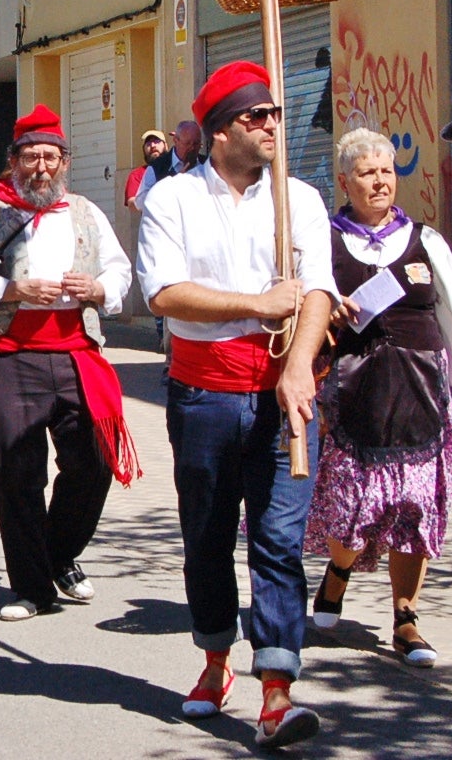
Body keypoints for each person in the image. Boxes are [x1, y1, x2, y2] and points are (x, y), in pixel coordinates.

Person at [135, 61, 336, 748]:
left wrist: (301, 365)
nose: (273, 125)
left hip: (284, 393)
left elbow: (317, 291)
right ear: (221, 132)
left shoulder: (300, 199)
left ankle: (276, 690)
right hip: (203, 395)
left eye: (276, 114)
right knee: (209, 536)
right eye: (258, 117)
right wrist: (255, 303)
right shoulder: (172, 199)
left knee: (279, 542)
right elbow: (164, 294)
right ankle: (216, 657)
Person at [307, 127, 452, 667]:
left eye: (386, 170)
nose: (380, 181)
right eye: (367, 172)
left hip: (421, 391)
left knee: (415, 507)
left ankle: (406, 619)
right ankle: (337, 576)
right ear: (345, 181)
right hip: (355, 392)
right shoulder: (324, 241)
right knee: (356, 503)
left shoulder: (425, 240)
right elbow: (303, 310)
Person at [0, 105, 137, 621]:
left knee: (94, 463)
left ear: (65, 162)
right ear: (13, 161)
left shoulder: (84, 213)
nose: (41, 168)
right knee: (17, 471)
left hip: (77, 352)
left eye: (51, 157)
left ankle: (59, 553)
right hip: (10, 356)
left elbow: (119, 270)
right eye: (31, 157)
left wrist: (98, 289)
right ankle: (32, 587)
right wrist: (10, 289)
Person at [136, 120, 204, 202]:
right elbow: (140, 202)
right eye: (187, 143)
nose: (192, 148)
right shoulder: (157, 167)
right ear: (176, 140)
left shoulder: (207, 164)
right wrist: (173, 183)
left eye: (196, 144)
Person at [124, 129, 167, 212]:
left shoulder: (176, 165)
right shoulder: (137, 174)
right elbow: (132, 204)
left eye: (157, 141)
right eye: (148, 143)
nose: (153, 145)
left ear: (165, 145)